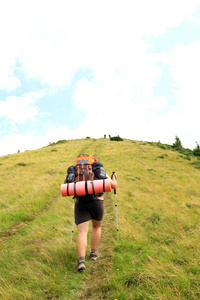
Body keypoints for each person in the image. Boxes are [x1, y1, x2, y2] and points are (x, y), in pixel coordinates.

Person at [75, 171, 117, 272]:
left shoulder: (78, 171)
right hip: (97, 202)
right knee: (96, 227)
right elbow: (113, 185)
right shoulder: (99, 170)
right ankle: (93, 253)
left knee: (82, 232)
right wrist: (114, 177)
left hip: (81, 203)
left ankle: (81, 261)